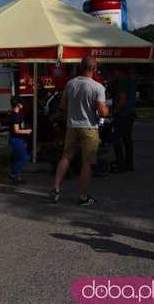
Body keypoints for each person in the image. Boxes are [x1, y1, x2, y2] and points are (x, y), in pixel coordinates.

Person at [50, 57, 108, 206]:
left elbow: (63, 106)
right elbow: (102, 112)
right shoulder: (98, 87)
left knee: (66, 156)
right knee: (87, 162)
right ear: (94, 68)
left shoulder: (70, 84)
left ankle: (56, 188)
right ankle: (83, 197)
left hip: (72, 126)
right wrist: (106, 110)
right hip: (89, 127)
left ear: (81, 67)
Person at [111, 66, 136, 173]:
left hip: (123, 114)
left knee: (116, 138)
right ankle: (129, 163)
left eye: (115, 71)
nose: (114, 73)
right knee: (127, 139)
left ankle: (120, 164)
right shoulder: (131, 82)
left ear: (119, 71)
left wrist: (114, 111)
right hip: (130, 113)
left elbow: (122, 99)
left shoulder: (122, 82)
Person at [8, 97, 32, 184]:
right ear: (18, 104)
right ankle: (14, 174)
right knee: (24, 158)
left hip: (16, 139)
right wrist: (27, 131)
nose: (23, 104)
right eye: (21, 102)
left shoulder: (14, 114)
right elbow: (16, 130)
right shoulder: (15, 116)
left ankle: (17, 176)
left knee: (17, 158)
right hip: (16, 139)